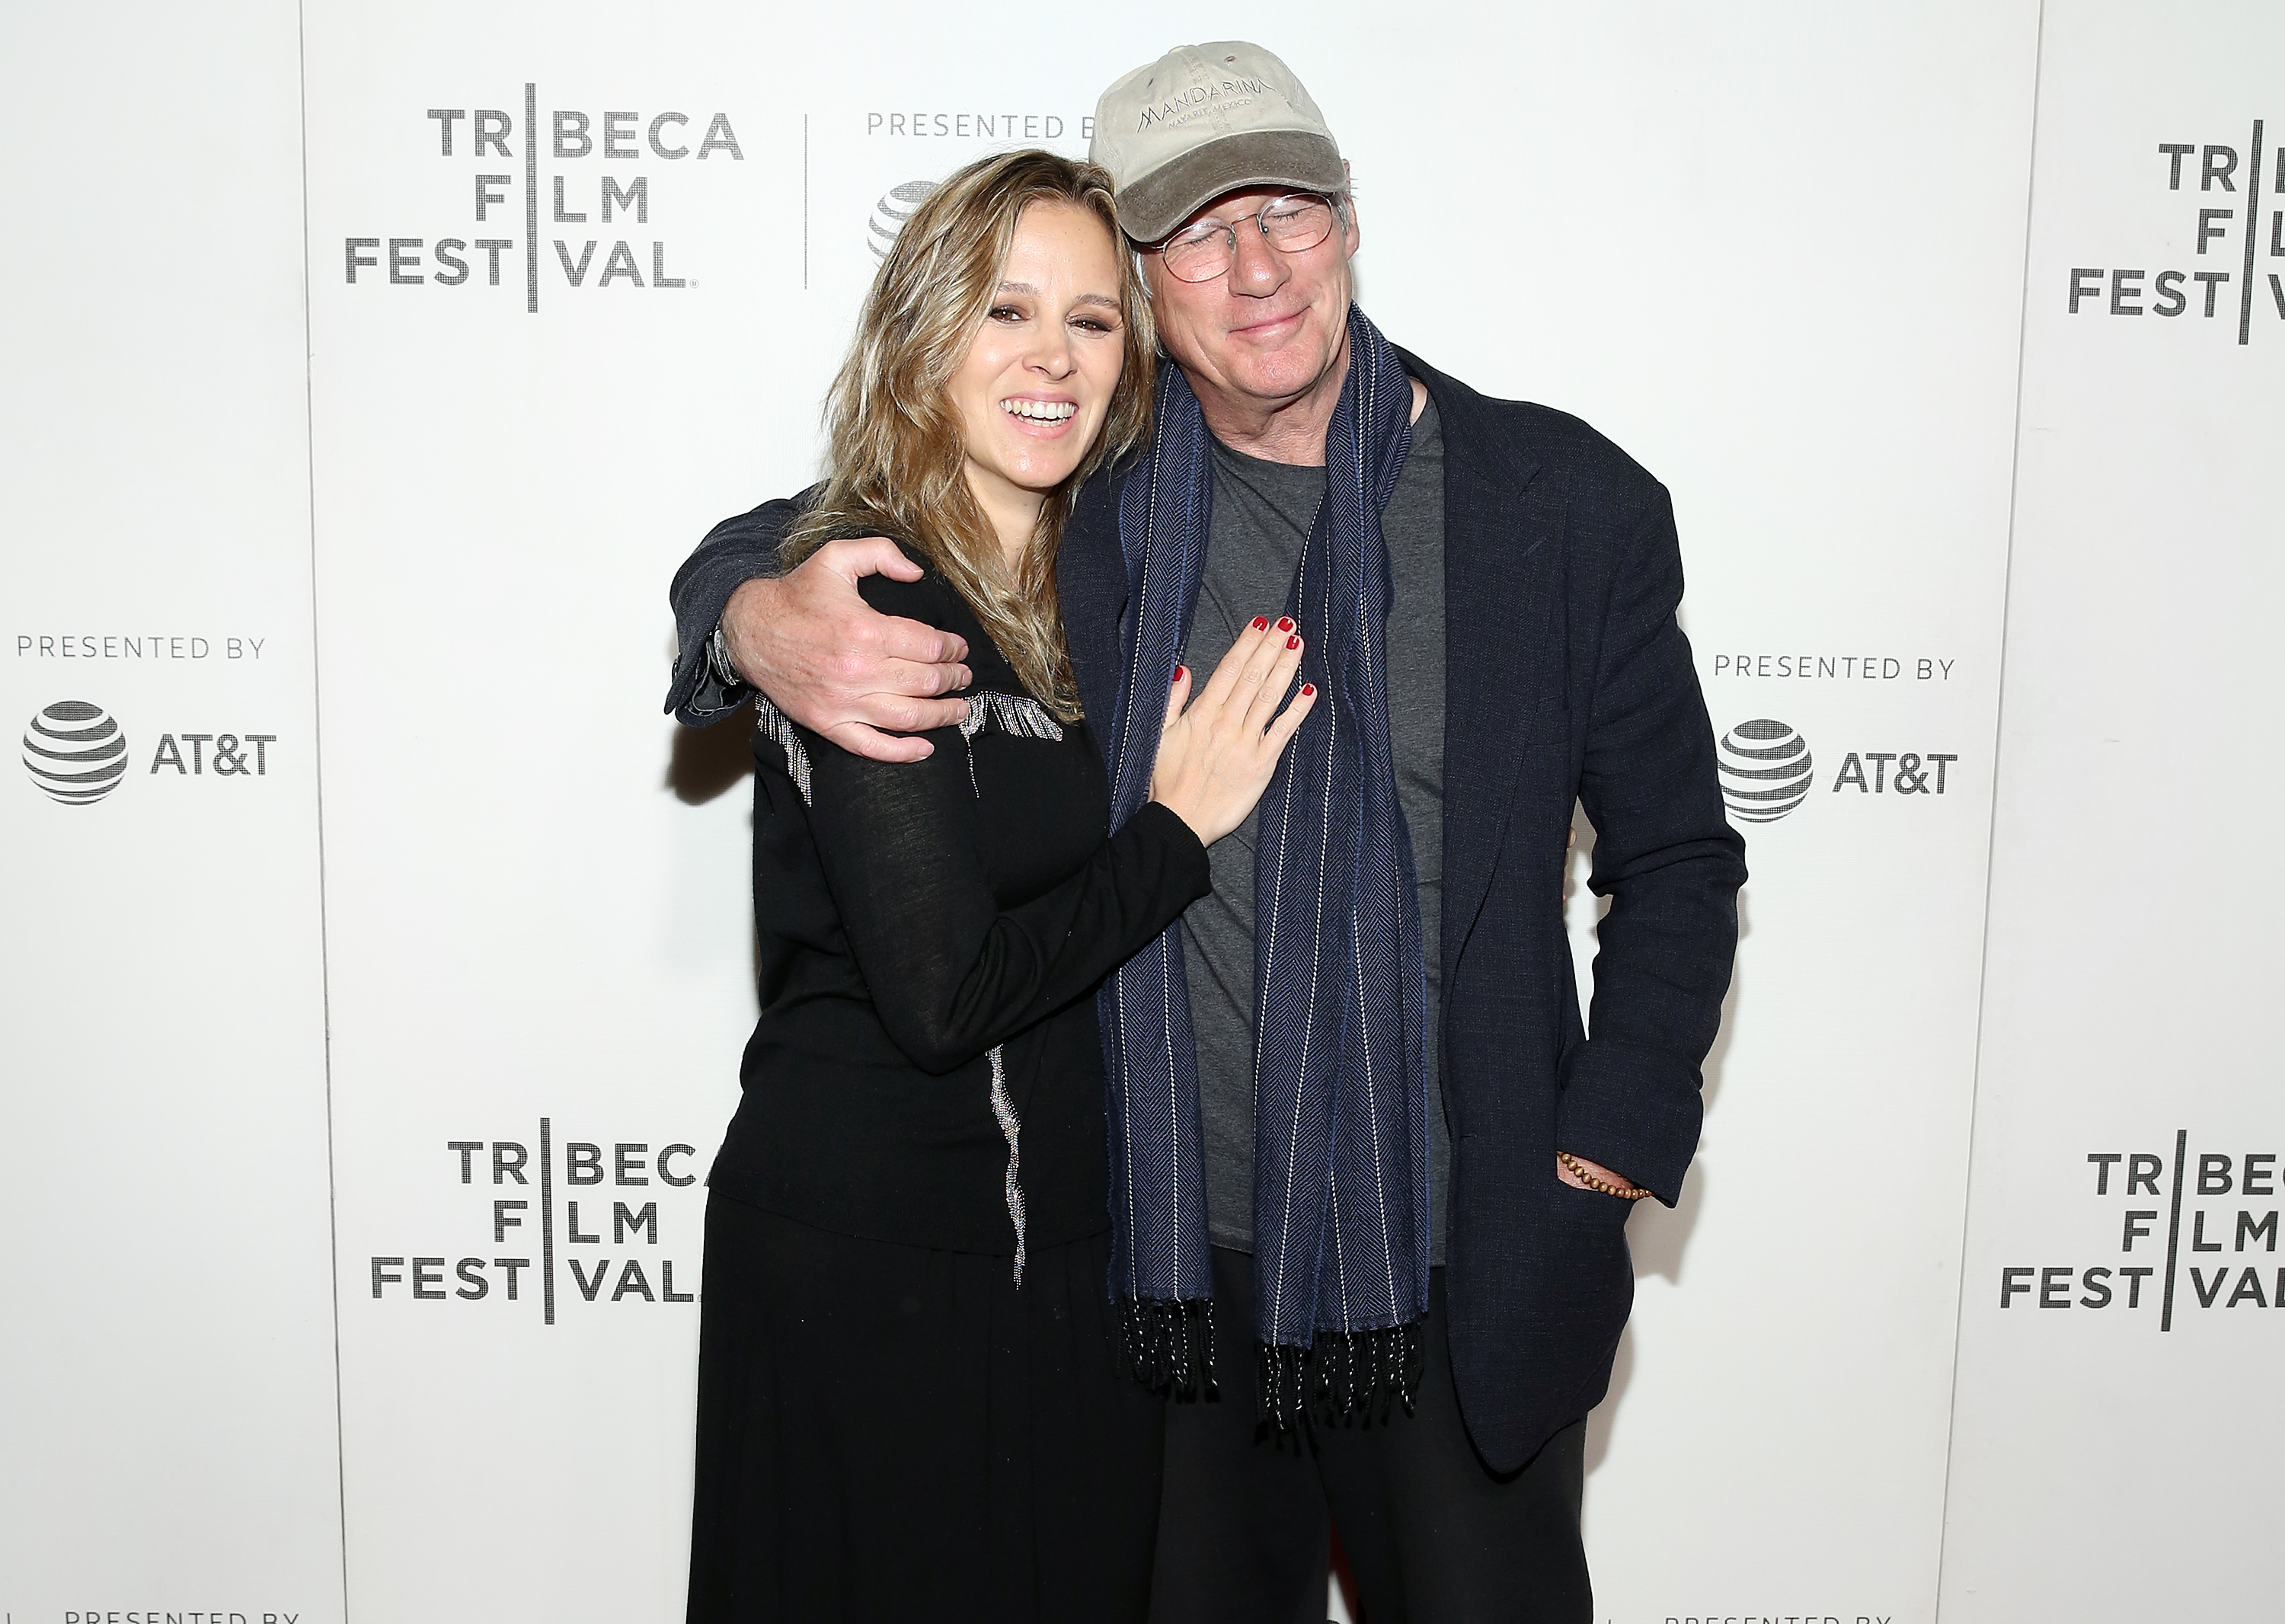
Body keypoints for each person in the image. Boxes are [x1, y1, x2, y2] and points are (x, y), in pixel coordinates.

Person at [668, 43, 1747, 1624]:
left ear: (1352, 222)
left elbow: (1682, 858)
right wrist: (747, 615)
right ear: (1144, 284)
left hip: (1453, 1269)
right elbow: (828, 527)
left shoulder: (1561, 502)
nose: (1252, 268)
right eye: (1193, 233)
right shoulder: (1089, 492)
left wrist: (1604, 1151)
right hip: (1162, 1291)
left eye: (1286, 212)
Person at [679, 147, 1317, 1624]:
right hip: (875, 1256)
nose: (1053, 358)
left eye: (1093, 321)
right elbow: (941, 992)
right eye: (1007, 311)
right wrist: (1173, 832)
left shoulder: (1109, 582)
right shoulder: (868, 596)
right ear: (925, 338)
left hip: (1073, 1259)